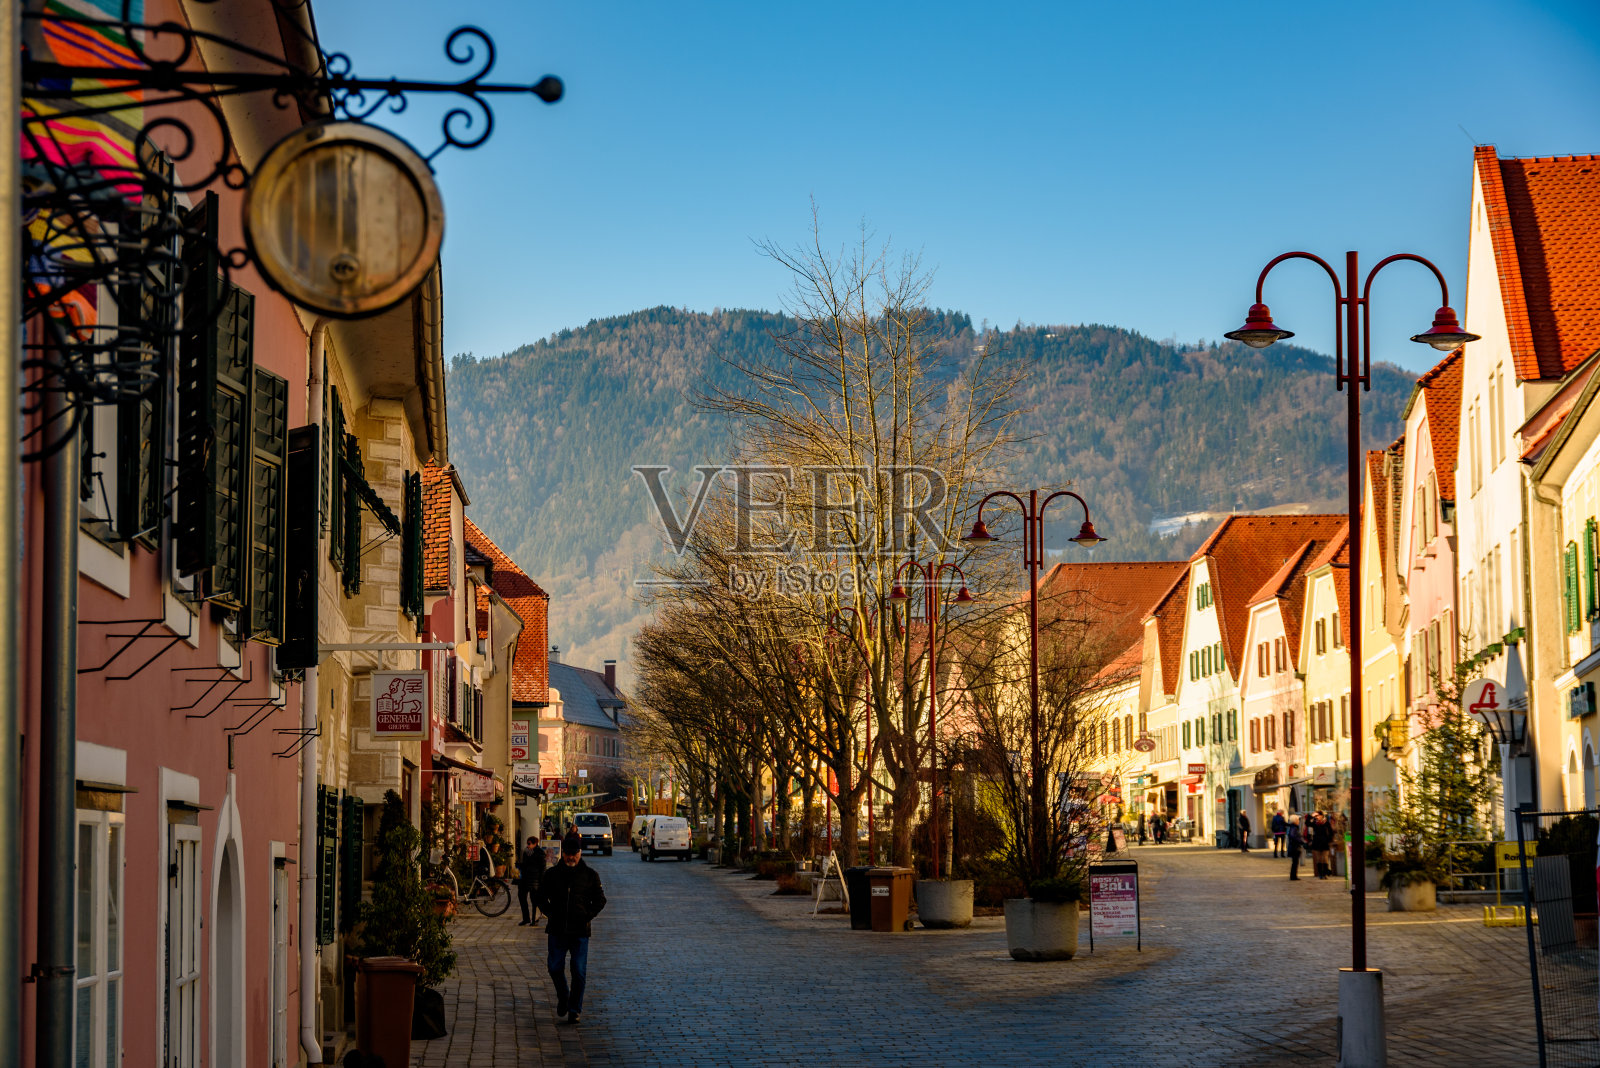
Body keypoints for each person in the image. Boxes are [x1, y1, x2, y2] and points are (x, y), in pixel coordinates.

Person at [539, 831, 606, 1025]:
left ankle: (574, 1009)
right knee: (554, 967)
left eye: (574, 853)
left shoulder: (590, 875)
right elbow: (541, 896)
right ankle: (564, 996)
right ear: (563, 853)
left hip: (579, 932)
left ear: (580, 853)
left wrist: (587, 916)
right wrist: (550, 912)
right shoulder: (552, 874)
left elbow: (600, 900)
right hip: (557, 930)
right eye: (567, 853)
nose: (571, 857)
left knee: (578, 970)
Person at [516, 835, 547, 927]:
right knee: (521, 897)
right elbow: (525, 864)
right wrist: (519, 866)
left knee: (534, 901)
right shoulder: (526, 852)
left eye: (529, 844)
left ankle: (534, 920)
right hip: (525, 879)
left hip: (535, 880)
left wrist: (541, 881)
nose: (528, 845)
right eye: (527, 843)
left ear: (535, 844)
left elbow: (543, 868)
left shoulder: (540, 852)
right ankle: (526, 918)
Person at [1310, 812, 1334, 879]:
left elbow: (1331, 832)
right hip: (1317, 843)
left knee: (1325, 858)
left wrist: (1328, 839)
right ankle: (1320, 874)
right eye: (1316, 815)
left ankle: (1325, 873)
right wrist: (1311, 816)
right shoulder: (1315, 823)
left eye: (1318, 815)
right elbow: (1307, 823)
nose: (1317, 817)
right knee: (1319, 859)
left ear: (1322, 816)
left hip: (1325, 843)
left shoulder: (1326, 823)